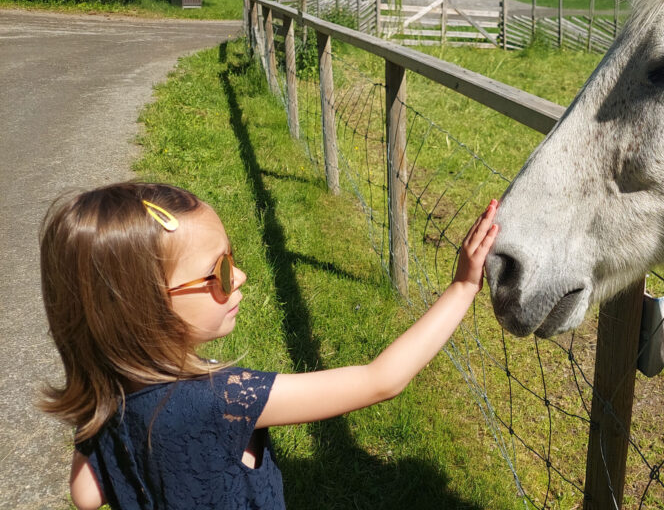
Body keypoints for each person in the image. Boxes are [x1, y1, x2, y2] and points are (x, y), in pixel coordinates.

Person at [38, 182, 499, 510]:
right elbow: (380, 380)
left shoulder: (108, 403)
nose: (238, 277)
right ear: (144, 308)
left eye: (232, 260)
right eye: (217, 272)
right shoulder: (221, 399)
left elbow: (86, 495)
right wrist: (461, 288)